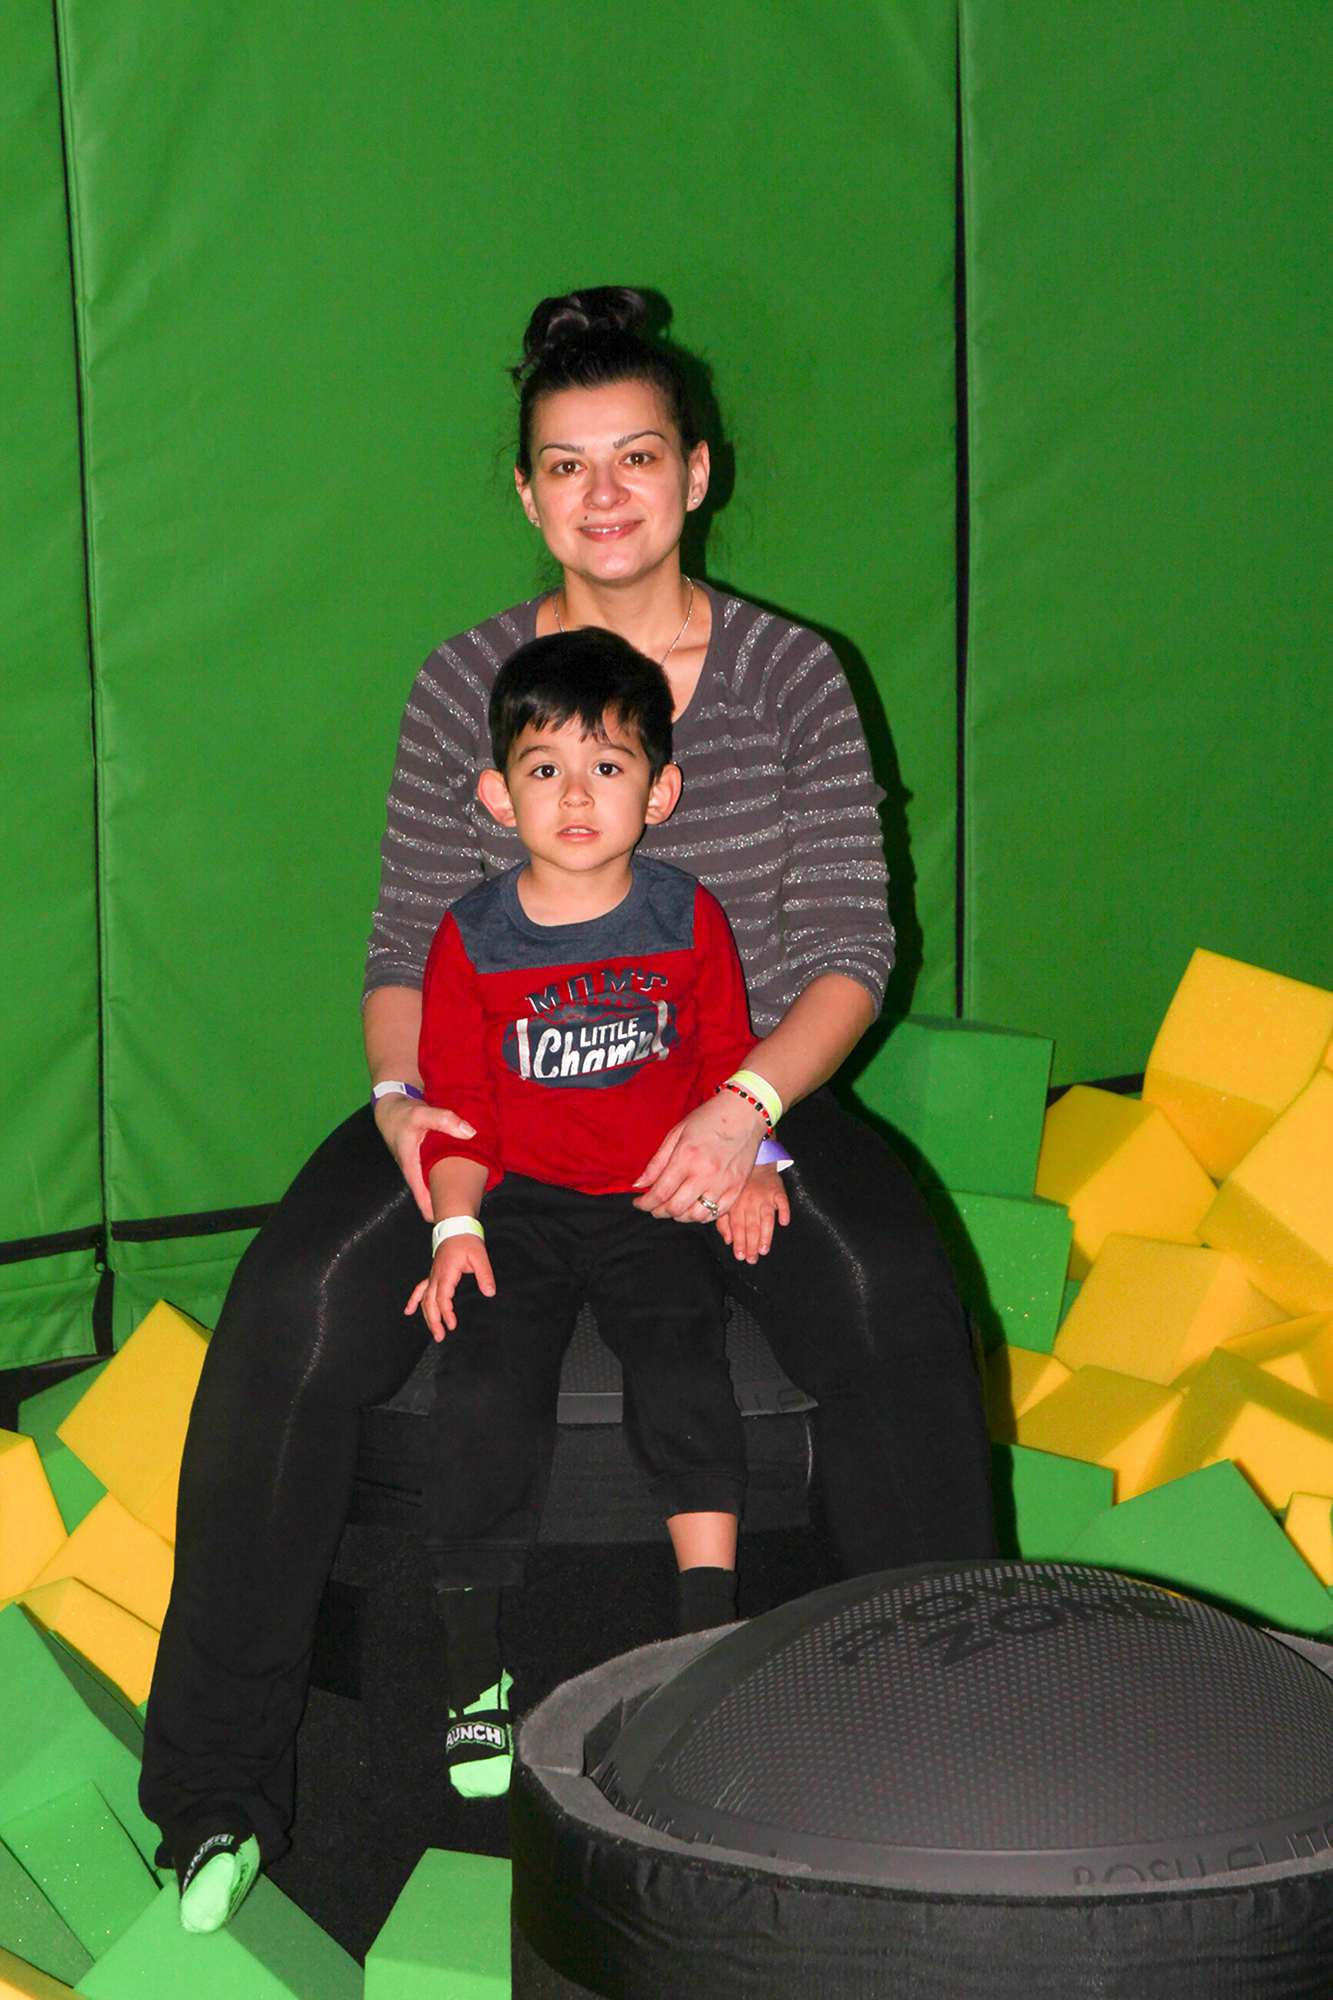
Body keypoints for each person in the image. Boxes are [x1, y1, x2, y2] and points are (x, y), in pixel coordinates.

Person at [140, 285, 996, 1933]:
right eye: (566, 465)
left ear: (696, 473)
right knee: (291, 1309)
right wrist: (407, 1108)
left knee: (890, 1296)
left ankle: (947, 1750)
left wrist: (742, 1112)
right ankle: (215, 1798)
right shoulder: (464, 678)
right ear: (527, 493)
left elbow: (846, 946)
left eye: (638, 457)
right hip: (495, 1108)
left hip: (730, 1090)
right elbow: (402, 946)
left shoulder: (788, 675)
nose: (606, 494)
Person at [410, 624, 788, 1796]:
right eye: (544, 767)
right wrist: (454, 1228)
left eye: (608, 765)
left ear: (658, 791)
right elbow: (457, 1110)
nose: (576, 795)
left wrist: (757, 1158)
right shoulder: (471, 937)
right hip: (520, 1203)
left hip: (653, 1194)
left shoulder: (686, 915)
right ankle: (471, 1669)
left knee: (684, 1361)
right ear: (497, 792)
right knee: (480, 1384)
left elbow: (727, 1057)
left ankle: (704, 1631)